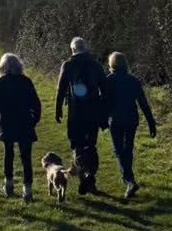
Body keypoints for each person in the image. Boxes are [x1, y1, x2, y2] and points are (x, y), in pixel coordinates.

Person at [55, 37, 107, 195]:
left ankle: (84, 175)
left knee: (77, 145)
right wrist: (104, 112)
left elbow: (61, 88)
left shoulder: (68, 65)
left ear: (73, 50)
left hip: (75, 112)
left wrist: (58, 109)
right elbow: (105, 90)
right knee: (91, 145)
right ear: (86, 49)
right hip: (93, 112)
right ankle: (90, 176)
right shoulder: (96, 65)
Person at [0, 53, 42, 203]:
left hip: (7, 124)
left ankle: (9, 184)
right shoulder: (26, 82)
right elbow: (36, 105)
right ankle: (28, 190)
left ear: (3, 67)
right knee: (26, 158)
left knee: (8, 154)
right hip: (25, 123)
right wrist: (33, 120)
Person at [105, 51, 156, 199]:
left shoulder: (108, 80)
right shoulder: (133, 81)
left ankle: (129, 181)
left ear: (111, 64)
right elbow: (143, 104)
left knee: (118, 151)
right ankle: (130, 179)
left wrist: (100, 119)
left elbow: (103, 102)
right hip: (131, 119)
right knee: (128, 149)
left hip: (115, 120)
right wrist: (151, 123)